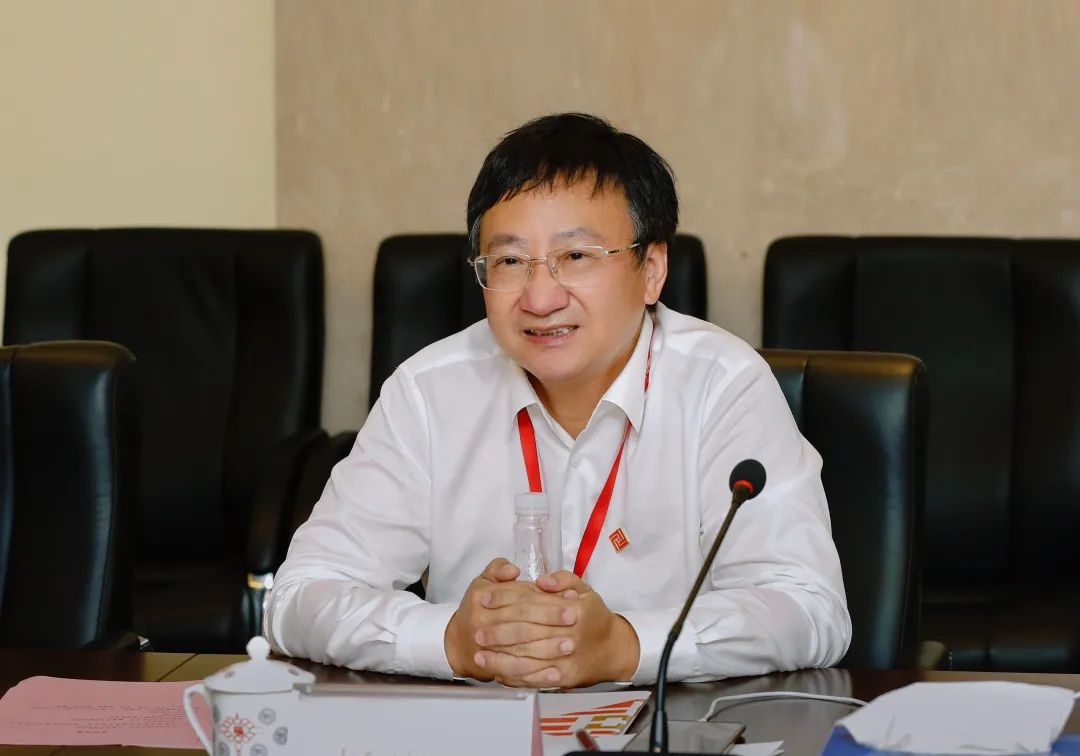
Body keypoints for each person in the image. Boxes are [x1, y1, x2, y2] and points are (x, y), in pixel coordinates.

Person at [265, 113, 850, 688]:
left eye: (576, 257)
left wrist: (624, 645)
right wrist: (452, 640)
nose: (540, 298)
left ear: (651, 269)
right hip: (478, 728)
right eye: (510, 261)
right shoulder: (430, 391)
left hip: (675, 727)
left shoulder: (723, 387)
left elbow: (807, 607)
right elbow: (298, 596)